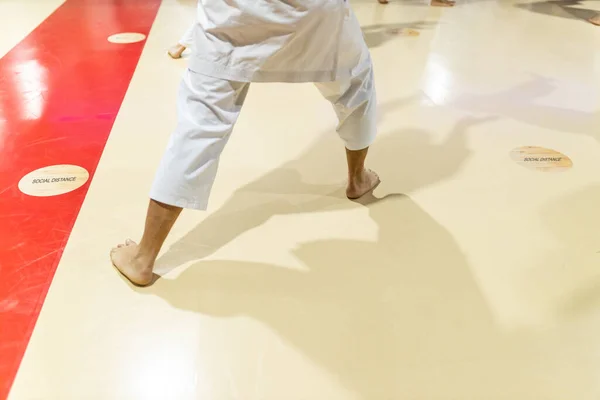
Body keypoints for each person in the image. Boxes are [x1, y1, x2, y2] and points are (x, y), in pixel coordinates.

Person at [111, 0, 381, 286]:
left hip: (231, 18)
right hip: (317, 15)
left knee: (199, 127)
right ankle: (357, 178)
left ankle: (144, 256)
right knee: (355, 86)